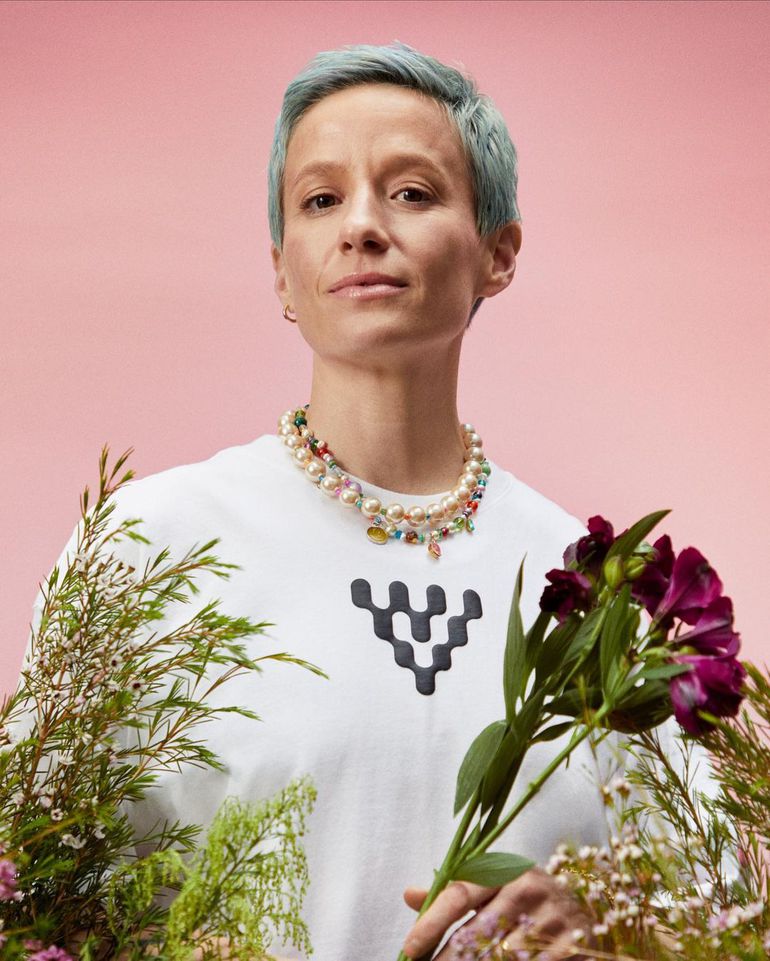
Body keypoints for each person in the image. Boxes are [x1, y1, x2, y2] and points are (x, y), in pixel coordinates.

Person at [22, 41, 722, 961]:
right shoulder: (146, 547)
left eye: (412, 192)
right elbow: (34, 894)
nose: (360, 226)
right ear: (282, 271)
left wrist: (616, 925)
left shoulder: (599, 594)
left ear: (499, 252)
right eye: (320, 200)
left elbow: (716, 911)